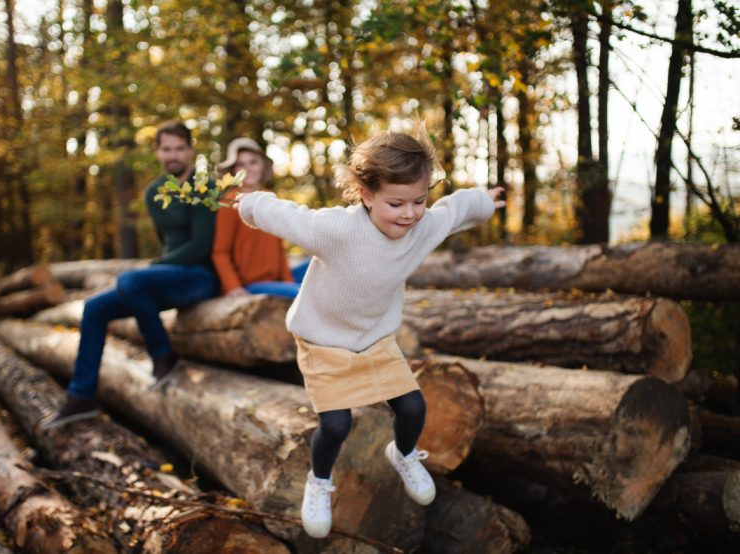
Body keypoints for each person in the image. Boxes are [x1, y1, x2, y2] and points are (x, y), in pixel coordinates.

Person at [233, 125, 504, 538]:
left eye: (419, 200)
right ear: (367, 194)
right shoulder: (337, 230)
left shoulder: (422, 226)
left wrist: (483, 202)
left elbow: (454, 211)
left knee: (413, 408)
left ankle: (404, 453)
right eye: (396, 203)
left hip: (375, 340)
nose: (410, 213)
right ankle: (319, 482)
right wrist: (249, 203)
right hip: (322, 339)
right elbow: (287, 216)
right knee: (337, 425)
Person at [42, 121, 218, 429]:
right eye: (166, 149)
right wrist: (159, 270)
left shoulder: (205, 187)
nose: (173, 155)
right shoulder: (154, 194)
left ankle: (163, 356)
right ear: (157, 152)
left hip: (200, 278)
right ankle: (81, 396)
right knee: (94, 309)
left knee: (129, 280)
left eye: (179, 148)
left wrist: (154, 269)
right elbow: (168, 243)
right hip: (170, 277)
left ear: (191, 150)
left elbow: (201, 246)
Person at [211, 137, 303, 299]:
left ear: (262, 165)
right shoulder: (230, 201)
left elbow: (277, 246)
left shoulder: (269, 197)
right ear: (233, 170)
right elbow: (220, 252)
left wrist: (288, 281)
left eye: (253, 162)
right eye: (241, 164)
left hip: (276, 281)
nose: (248, 169)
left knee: (317, 264)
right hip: (250, 284)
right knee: (302, 294)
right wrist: (234, 287)